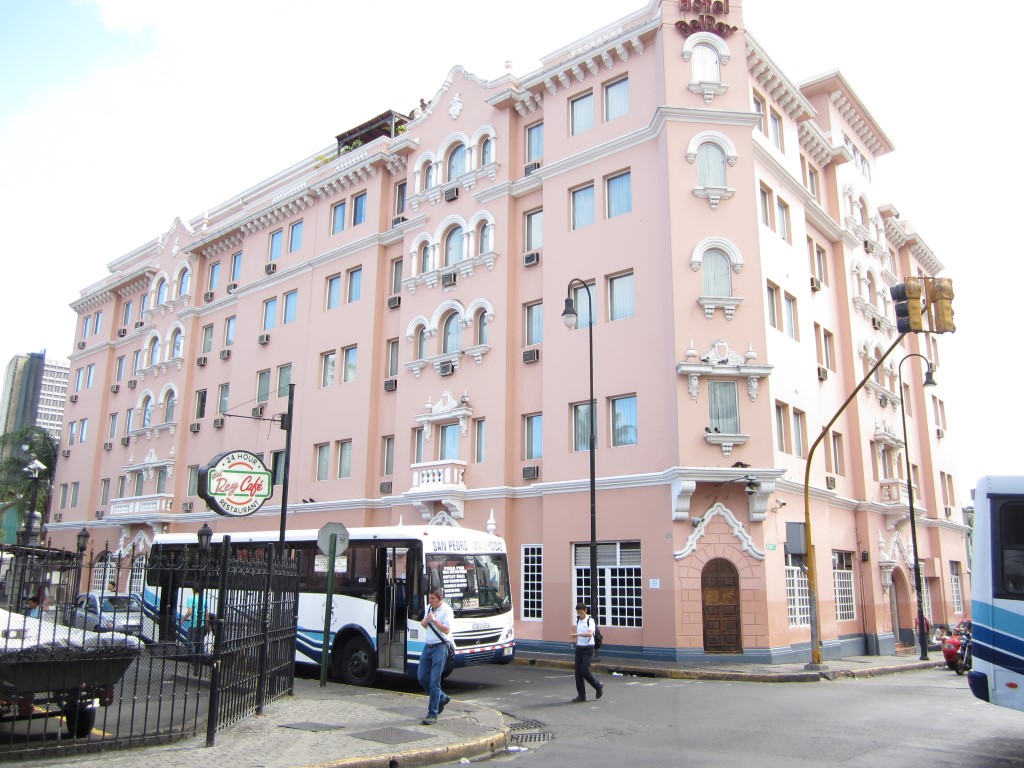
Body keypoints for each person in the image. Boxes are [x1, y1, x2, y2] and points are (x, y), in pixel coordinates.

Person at [417, 587, 453, 725]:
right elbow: (424, 624)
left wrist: (434, 620)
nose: (430, 601)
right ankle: (442, 697)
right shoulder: (428, 608)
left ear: (440, 599)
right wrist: (425, 622)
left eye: (433, 598)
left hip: (440, 647)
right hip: (428, 646)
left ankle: (432, 713)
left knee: (434, 682)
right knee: (421, 676)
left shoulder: (447, 611)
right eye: (429, 598)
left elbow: (447, 629)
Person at [570, 602, 603, 702]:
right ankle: (581, 695)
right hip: (579, 647)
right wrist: (577, 636)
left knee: (584, 670)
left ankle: (598, 686)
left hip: (588, 648)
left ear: (585, 610)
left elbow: (590, 633)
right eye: (578, 613)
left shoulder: (590, 621)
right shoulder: (579, 621)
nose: (579, 615)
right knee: (578, 673)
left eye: (581, 612)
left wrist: (578, 635)